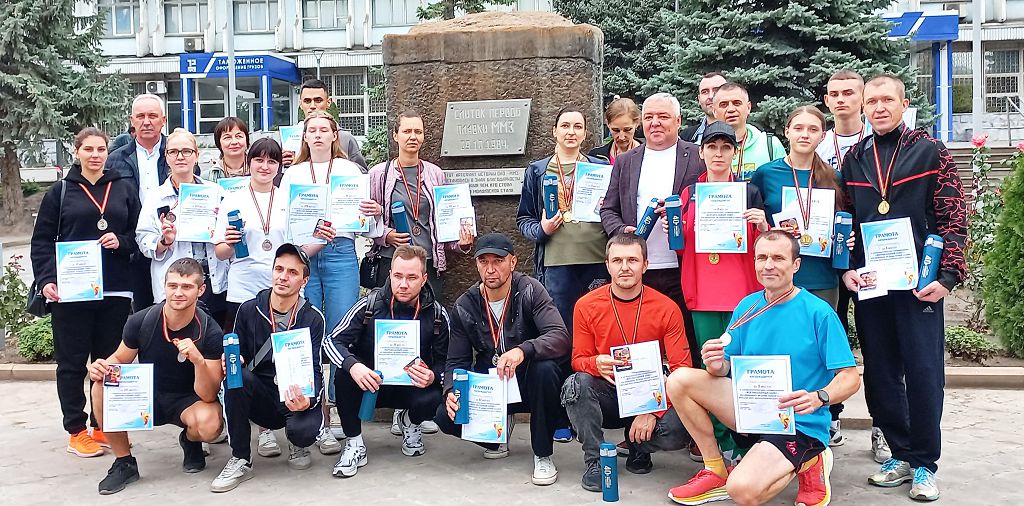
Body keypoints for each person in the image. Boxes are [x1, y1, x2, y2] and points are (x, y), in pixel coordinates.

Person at [840, 74, 967, 502]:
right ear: (863, 107)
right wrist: (848, 269)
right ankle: (899, 453)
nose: (878, 108)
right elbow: (848, 222)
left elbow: (953, 215)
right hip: (873, 285)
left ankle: (925, 463)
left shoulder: (930, 151)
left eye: (886, 100)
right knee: (880, 372)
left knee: (924, 372)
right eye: (871, 101)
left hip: (919, 286)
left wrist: (948, 277)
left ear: (904, 103)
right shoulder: (856, 157)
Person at [665, 230, 861, 506]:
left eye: (778, 258)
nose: (769, 265)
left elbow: (850, 377)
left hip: (797, 421)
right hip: (754, 410)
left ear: (796, 265)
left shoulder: (819, 312)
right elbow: (725, 367)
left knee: (742, 491)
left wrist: (819, 397)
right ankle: (715, 469)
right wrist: (716, 364)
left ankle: (811, 460)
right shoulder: (747, 306)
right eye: (762, 258)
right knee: (679, 380)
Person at [213, 138, 333, 456]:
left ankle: (298, 422)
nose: (265, 166)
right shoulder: (232, 199)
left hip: (286, 288)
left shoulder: (289, 198)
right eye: (259, 160)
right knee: (250, 360)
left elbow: (300, 249)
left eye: (272, 161)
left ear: (279, 166)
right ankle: (264, 431)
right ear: (249, 161)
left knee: (293, 356)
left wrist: (321, 238)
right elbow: (220, 252)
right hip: (244, 288)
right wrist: (228, 242)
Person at [30, 127, 142, 459]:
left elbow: (138, 234)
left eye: (101, 149)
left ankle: (102, 425)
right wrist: (46, 279)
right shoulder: (61, 191)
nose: (95, 155)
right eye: (88, 149)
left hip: (115, 289)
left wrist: (120, 241)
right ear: (77, 152)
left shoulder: (123, 188)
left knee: (108, 360)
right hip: (73, 290)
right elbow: (42, 241)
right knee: (72, 362)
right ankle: (76, 431)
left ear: (108, 152)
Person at [751, 106, 854, 450]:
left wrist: (847, 240)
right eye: (798, 128)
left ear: (822, 135)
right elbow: (758, 222)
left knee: (821, 350)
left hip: (821, 276)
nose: (805, 134)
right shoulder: (767, 174)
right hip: (780, 274)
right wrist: (763, 225)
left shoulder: (833, 177)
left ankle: (826, 416)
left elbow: (844, 222)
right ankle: (773, 416)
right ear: (787, 132)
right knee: (779, 345)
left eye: (813, 129)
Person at [282, 110, 384, 452]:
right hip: (305, 254)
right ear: (304, 137)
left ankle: (342, 413)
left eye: (324, 130)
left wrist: (373, 214)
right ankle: (316, 415)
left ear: (334, 135)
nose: (318, 135)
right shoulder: (293, 173)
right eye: (311, 130)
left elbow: (367, 225)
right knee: (306, 332)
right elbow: (285, 221)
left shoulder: (350, 170)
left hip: (341, 251)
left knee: (341, 332)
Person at [436, 233, 571, 486]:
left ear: (513, 262)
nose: (490, 269)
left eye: (498, 261)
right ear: (476, 264)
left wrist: (523, 350)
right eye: (483, 262)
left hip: (529, 383)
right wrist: (451, 391)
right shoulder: (465, 304)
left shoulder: (530, 289)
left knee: (546, 369)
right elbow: (456, 361)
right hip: (491, 388)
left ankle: (542, 455)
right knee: (445, 415)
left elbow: (559, 336)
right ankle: (496, 438)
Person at [669, 121, 768, 462]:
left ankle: (749, 441)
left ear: (734, 153)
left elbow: (763, 246)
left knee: (744, 366)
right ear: (701, 152)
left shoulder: (749, 193)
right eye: (712, 147)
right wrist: (676, 228)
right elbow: (680, 247)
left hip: (743, 294)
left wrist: (762, 225)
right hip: (704, 293)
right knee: (711, 366)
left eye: (726, 147)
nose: (718, 154)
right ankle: (720, 442)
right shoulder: (689, 194)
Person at [563, 234, 693, 492]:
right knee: (575, 385)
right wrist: (595, 363)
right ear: (607, 265)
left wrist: (653, 411)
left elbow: (683, 370)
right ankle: (596, 460)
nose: (625, 267)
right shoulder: (586, 306)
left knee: (682, 426)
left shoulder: (667, 308)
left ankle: (638, 445)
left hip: (651, 393)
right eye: (617, 260)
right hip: (608, 392)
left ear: (645, 265)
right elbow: (578, 360)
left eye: (632, 260)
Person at [86, 259, 224, 494]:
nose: (178, 293)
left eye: (187, 287)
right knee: (101, 386)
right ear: (164, 286)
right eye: (173, 286)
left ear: (201, 290)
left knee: (211, 425)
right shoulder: (142, 320)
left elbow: (209, 394)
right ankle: (124, 462)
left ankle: (191, 441)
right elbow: (119, 358)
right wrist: (101, 367)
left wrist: (198, 361)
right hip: (146, 395)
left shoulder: (210, 331)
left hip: (188, 400)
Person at [211, 244, 328, 492]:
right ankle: (241, 458)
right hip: (261, 396)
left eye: (293, 272)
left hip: (295, 395)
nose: (283, 277)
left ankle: (297, 443)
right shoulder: (248, 309)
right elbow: (238, 353)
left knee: (304, 431)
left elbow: (317, 369)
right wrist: (232, 361)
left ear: (304, 280)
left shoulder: (313, 318)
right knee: (235, 377)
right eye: (279, 269)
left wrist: (307, 401)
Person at [323, 245, 447, 477]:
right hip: (371, 386)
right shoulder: (369, 305)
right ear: (389, 275)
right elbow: (331, 342)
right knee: (344, 374)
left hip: (411, 387)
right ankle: (354, 443)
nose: (403, 284)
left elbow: (447, 361)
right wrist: (355, 366)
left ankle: (409, 421)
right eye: (398, 276)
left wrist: (432, 376)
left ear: (424, 279)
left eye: (412, 277)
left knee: (439, 389)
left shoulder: (437, 314)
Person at [816, 69, 888, 460]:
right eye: (834, 93)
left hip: (874, 254)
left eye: (849, 93)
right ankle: (831, 416)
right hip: (832, 258)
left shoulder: (878, 142)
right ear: (827, 100)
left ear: (862, 98)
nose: (841, 99)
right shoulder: (818, 143)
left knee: (877, 343)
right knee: (831, 337)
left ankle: (883, 426)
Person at [600, 92, 705, 356]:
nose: (655, 123)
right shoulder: (626, 160)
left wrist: (684, 221)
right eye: (649, 117)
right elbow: (608, 209)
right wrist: (622, 232)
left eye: (663, 116)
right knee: (641, 341)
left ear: (678, 121)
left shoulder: (697, 156)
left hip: (682, 268)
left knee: (685, 344)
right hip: (639, 269)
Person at [517, 106, 609, 333]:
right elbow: (524, 219)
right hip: (557, 264)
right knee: (561, 329)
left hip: (596, 259)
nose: (571, 132)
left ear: (585, 133)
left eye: (578, 127)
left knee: (598, 325)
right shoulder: (538, 171)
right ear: (554, 131)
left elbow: (613, 211)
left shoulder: (600, 168)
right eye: (565, 126)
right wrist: (542, 229)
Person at [368, 109, 474, 301]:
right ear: (395, 135)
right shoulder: (379, 174)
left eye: (418, 132)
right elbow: (364, 219)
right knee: (391, 314)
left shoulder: (435, 174)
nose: (413, 137)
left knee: (429, 314)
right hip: (392, 261)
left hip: (427, 261)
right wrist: (385, 235)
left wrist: (460, 243)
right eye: (407, 131)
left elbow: (444, 220)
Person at [136, 128, 229, 324]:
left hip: (212, 282)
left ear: (197, 155)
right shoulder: (155, 197)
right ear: (166, 156)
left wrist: (219, 228)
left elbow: (227, 234)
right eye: (173, 152)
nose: (180, 157)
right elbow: (143, 240)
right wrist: (164, 241)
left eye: (186, 151)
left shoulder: (216, 192)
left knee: (213, 337)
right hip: (175, 286)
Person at [105, 94, 171, 310]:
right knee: (143, 313)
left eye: (152, 116)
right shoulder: (115, 160)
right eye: (140, 116)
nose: (147, 121)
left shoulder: (177, 153)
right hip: (134, 248)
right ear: (132, 121)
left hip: (172, 245)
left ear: (163, 120)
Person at [282, 79, 366, 170]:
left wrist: (340, 165)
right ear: (300, 104)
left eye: (318, 100)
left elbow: (362, 172)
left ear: (328, 102)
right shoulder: (287, 139)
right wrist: (279, 163)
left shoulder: (345, 138)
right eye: (307, 101)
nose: (312, 106)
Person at [711, 83, 786, 180]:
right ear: (714, 111)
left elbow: (783, 182)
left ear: (748, 107)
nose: (731, 109)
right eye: (724, 105)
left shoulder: (770, 145)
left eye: (737, 103)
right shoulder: (705, 149)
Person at [588, 96, 641, 164]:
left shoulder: (648, 155)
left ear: (637, 123)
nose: (621, 137)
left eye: (627, 130)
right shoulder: (595, 157)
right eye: (615, 130)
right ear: (608, 124)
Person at [680, 72, 728, 143]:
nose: (710, 96)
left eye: (716, 90)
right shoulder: (685, 138)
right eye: (705, 92)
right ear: (699, 99)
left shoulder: (743, 134)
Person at [204, 117, 250, 182]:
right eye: (227, 137)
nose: (234, 142)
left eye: (239, 136)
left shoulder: (260, 171)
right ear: (219, 143)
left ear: (246, 140)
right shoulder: (208, 178)